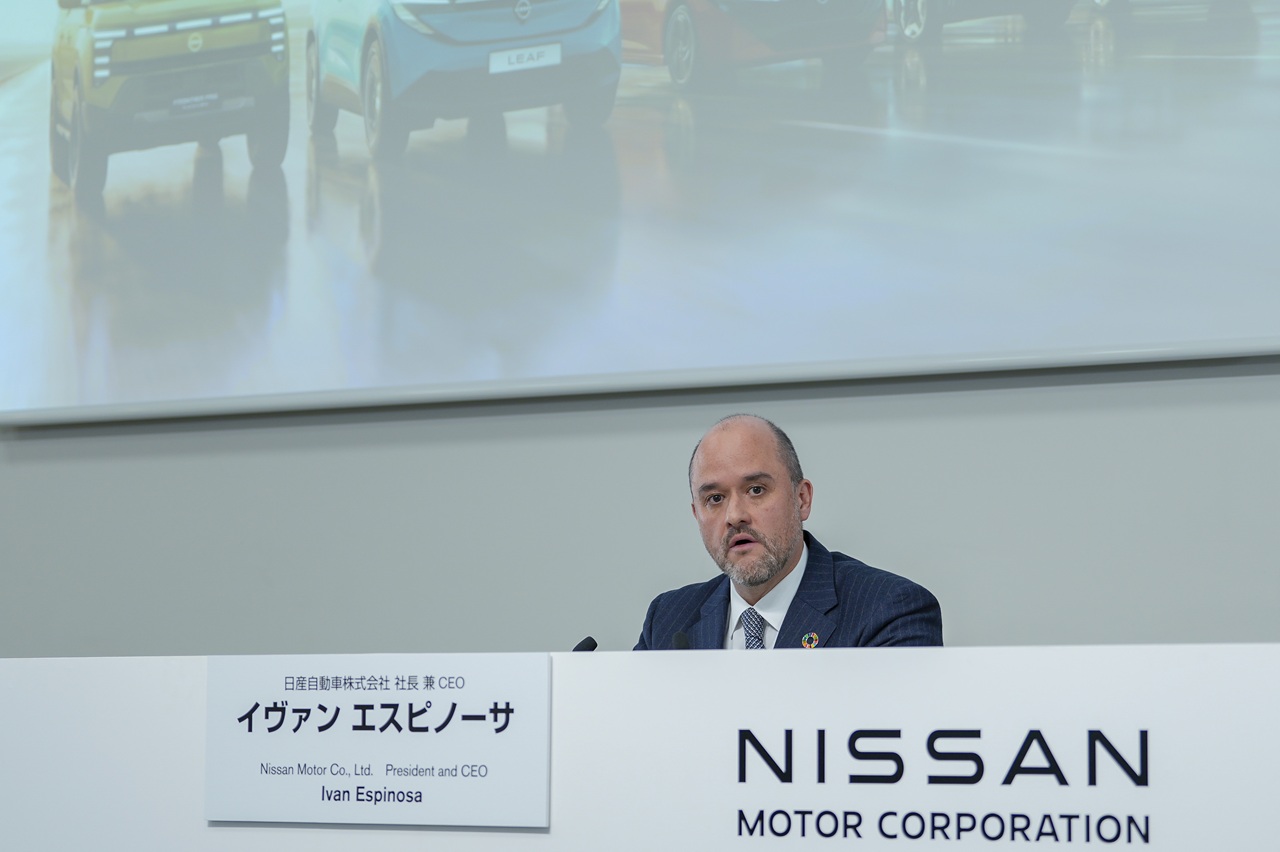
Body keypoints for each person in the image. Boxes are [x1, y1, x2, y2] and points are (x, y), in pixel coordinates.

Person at [634, 414, 943, 650]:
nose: (735, 516)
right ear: (696, 515)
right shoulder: (668, 619)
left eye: (756, 490)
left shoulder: (889, 610)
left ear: (802, 499)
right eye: (715, 498)